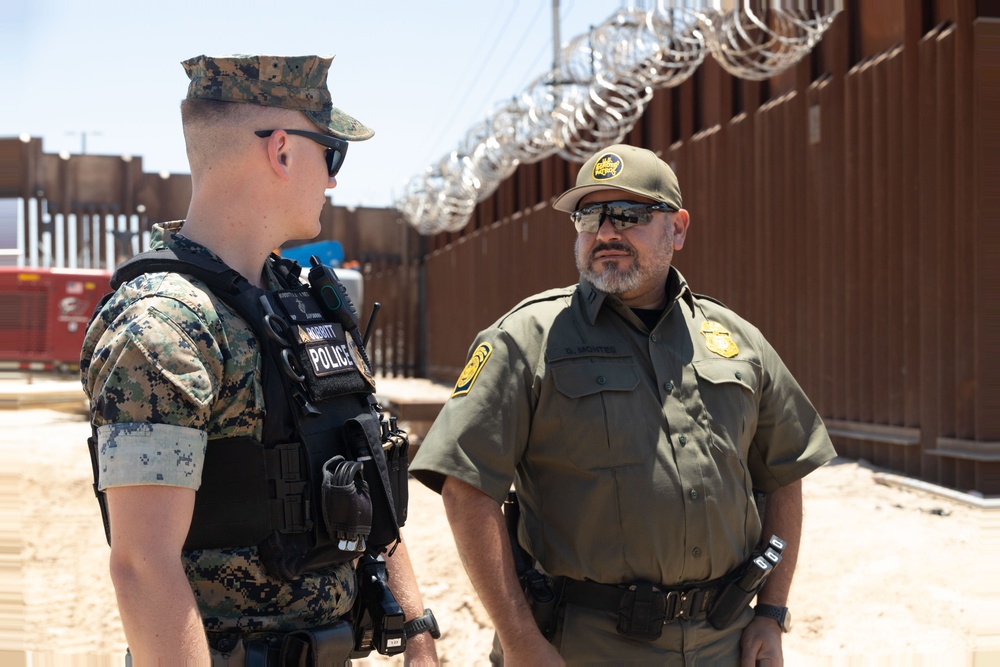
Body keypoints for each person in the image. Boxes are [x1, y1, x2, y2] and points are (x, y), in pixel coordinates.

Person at [409, 143, 836, 665]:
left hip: (722, 642)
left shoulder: (736, 340)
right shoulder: (526, 338)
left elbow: (784, 473)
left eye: (629, 215)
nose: (606, 231)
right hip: (582, 646)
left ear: (677, 229)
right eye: (590, 216)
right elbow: (465, 487)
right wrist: (521, 640)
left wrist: (770, 614)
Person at [81, 54, 438, 665]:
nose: (333, 180)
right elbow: (143, 566)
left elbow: (364, 466)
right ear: (281, 151)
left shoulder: (299, 303)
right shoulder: (163, 326)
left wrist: (417, 633)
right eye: (332, 153)